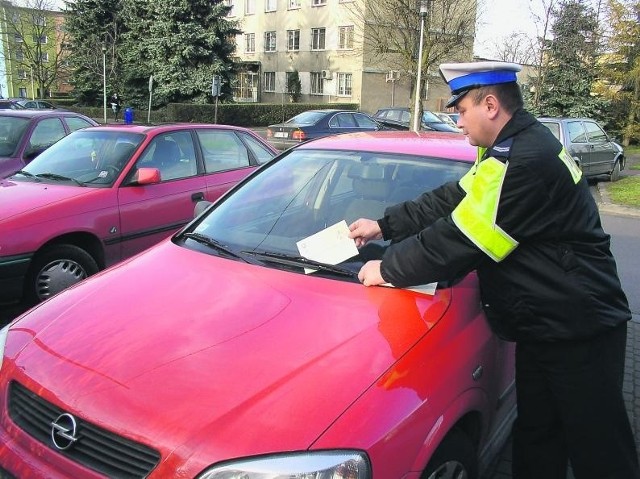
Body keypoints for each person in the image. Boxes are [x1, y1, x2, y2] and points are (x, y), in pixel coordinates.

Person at [348, 61, 640, 479]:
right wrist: (385, 224)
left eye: (461, 111)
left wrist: (387, 268)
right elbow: (452, 199)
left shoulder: (524, 162)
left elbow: (459, 239)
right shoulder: (510, 149)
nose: (458, 122)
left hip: (580, 329)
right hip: (547, 324)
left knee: (600, 452)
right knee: (538, 434)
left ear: (489, 105)